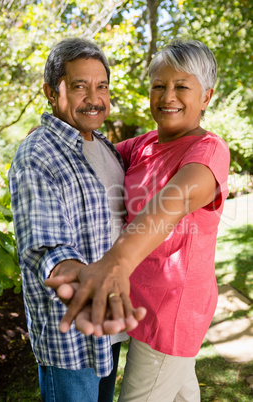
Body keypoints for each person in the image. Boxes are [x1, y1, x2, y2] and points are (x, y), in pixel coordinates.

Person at [45, 39, 230, 401]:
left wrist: (116, 262)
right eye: (159, 85)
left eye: (181, 87)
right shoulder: (142, 146)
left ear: (206, 97)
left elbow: (171, 203)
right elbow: (89, 147)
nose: (167, 96)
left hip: (171, 314)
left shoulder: (208, 150)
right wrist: (48, 135)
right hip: (143, 307)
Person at [8, 37, 145, 402]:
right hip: (70, 342)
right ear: (52, 92)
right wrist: (83, 275)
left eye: (101, 86)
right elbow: (45, 247)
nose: (94, 98)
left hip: (108, 328)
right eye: (80, 86)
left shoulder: (104, 147)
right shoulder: (37, 155)